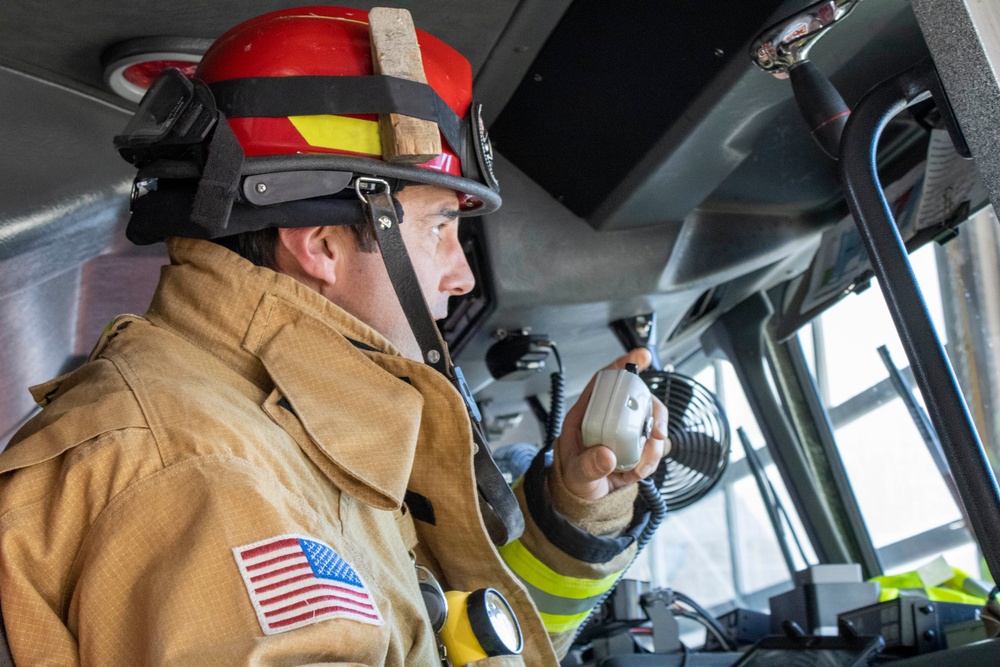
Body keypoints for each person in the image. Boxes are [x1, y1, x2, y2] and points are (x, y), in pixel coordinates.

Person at [0, 6, 667, 665]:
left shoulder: (293, 432)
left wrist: (576, 507)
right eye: (439, 228)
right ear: (320, 244)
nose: (462, 274)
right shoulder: (203, 474)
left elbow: (458, 643)